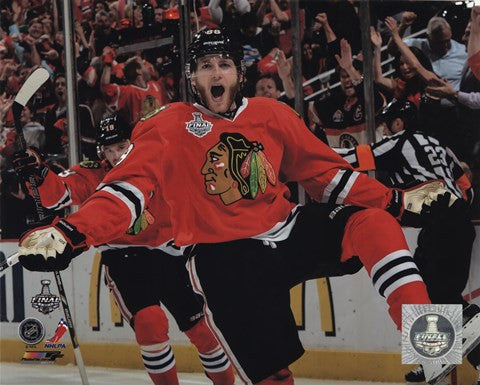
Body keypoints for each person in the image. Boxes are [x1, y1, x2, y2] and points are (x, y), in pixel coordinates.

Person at [15, 28, 480, 385]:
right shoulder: (168, 125)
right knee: (272, 376)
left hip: (286, 230)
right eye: (205, 66)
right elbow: (127, 188)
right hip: (226, 258)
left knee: (371, 222)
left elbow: (328, 177)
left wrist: (395, 201)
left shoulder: (272, 114)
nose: (216, 74)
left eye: (223, 65)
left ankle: (428, 344)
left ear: (238, 73)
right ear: (192, 78)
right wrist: (73, 232)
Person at [12, 115, 235, 385]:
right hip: (124, 260)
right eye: (109, 149)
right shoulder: (94, 172)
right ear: (101, 151)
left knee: (201, 329)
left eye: (121, 146)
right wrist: (39, 173)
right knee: (150, 324)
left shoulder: (156, 162)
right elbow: (58, 195)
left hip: (171, 255)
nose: (116, 155)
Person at [334, 99, 479, 383]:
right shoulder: (440, 145)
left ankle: (450, 347)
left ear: (398, 123)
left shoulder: (400, 141)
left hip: (440, 224)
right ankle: (434, 361)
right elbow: (466, 188)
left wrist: (304, 150)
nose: (386, 131)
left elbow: (354, 158)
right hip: (452, 223)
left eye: (388, 125)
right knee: (426, 295)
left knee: (439, 297)